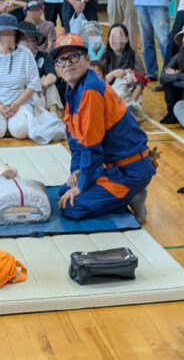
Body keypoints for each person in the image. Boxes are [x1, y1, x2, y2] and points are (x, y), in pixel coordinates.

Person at [52, 34, 154, 222]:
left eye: (73, 56)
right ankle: (116, 195)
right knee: (64, 191)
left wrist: (81, 186)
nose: (67, 63)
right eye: (61, 59)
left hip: (129, 171)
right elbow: (75, 141)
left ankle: (132, 195)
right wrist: (76, 172)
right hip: (108, 166)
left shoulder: (91, 90)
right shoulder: (73, 89)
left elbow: (92, 146)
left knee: (72, 207)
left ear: (88, 59)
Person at [0, 14, 41, 140]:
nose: (5, 38)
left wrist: (16, 104)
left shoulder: (26, 54)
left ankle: (11, 124)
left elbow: (33, 84)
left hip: (21, 102)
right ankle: (2, 124)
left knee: (20, 132)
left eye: (9, 33)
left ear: (15, 35)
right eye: (2, 34)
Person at [100, 23, 147, 119]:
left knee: (130, 114)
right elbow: (99, 82)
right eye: (113, 36)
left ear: (126, 39)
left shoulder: (134, 56)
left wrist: (132, 100)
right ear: (109, 40)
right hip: (110, 93)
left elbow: (141, 82)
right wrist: (113, 74)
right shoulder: (104, 57)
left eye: (120, 36)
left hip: (130, 92)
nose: (116, 39)